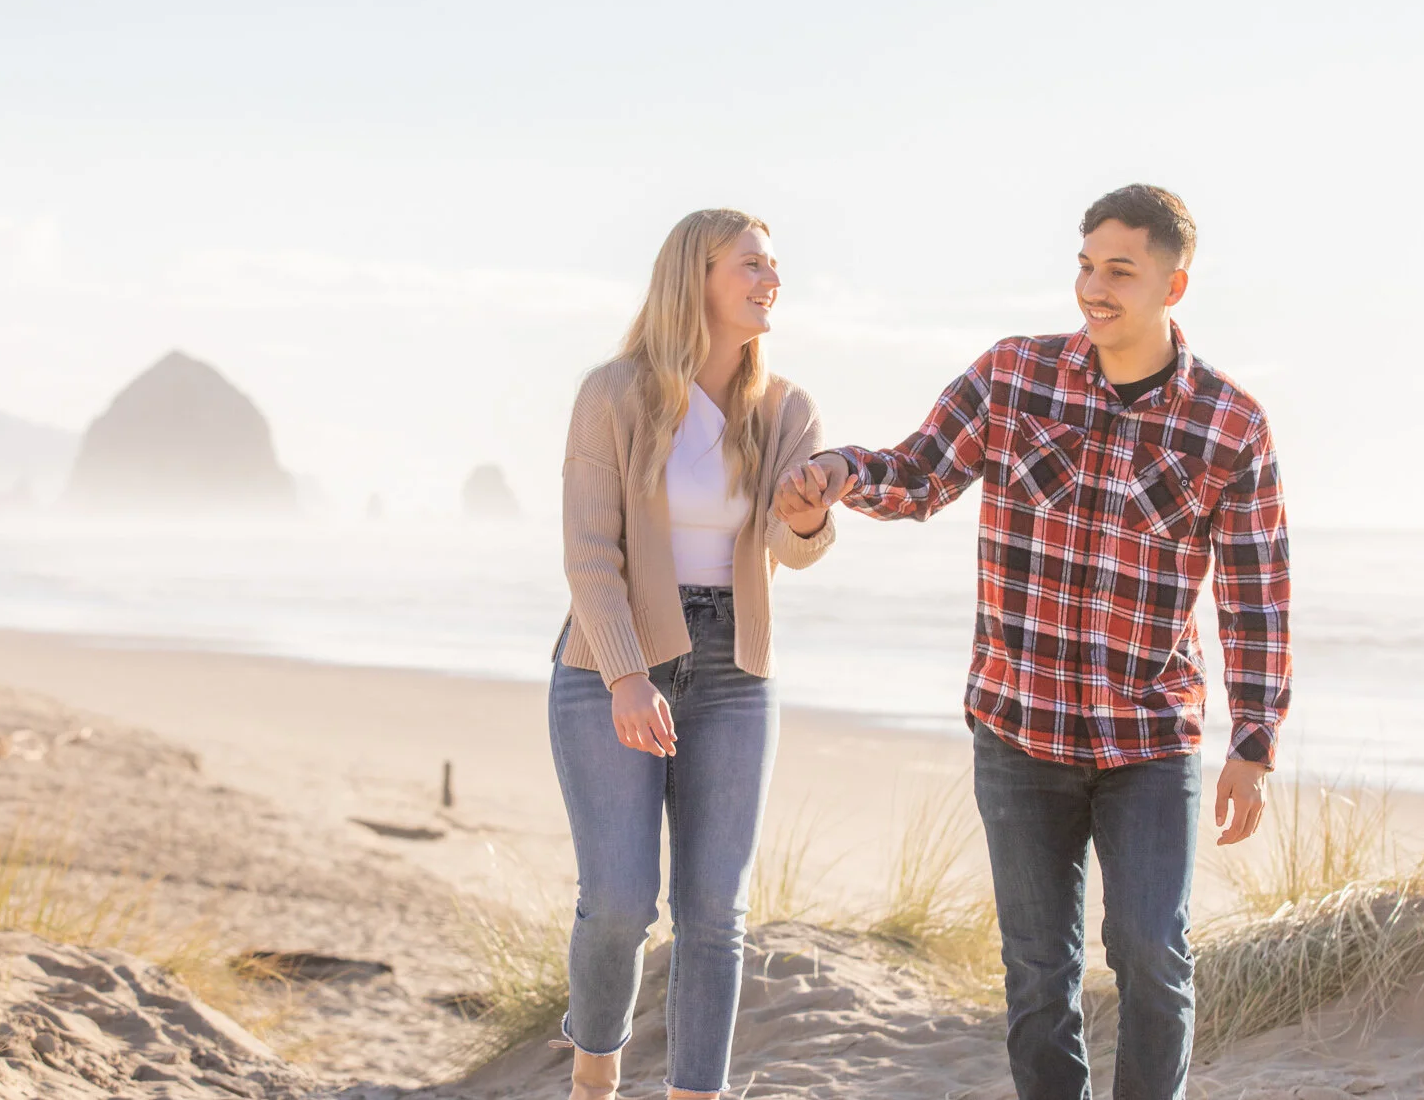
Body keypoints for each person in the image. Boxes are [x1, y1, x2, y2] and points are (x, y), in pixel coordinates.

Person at [773, 185, 1291, 1100]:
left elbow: (1255, 592)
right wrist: (841, 471)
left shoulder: (1229, 423)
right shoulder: (1015, 375)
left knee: (1151, 955)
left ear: (1174, 285)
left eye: (1119, 271)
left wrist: (1255, 738)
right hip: (1018, 730)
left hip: (1148, 739)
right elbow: (919, 472)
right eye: (1086, 264)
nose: (1094, 287)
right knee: (1039, 977)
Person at [550, 208, 838, 1100]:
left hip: (737, 671)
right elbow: (590, 554)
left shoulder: (787, 405)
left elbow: (796, 550)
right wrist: (628, 674)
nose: (771, 278)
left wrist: (807, 515)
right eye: (751, 263)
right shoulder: (613, 393)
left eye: (774, 265)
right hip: (609, 662)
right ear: (697, 276)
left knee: (716, 913)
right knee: (623, 903)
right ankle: (594, 1072)